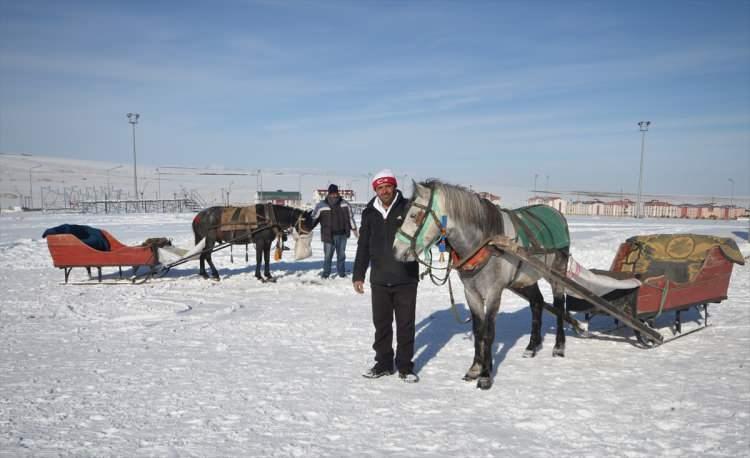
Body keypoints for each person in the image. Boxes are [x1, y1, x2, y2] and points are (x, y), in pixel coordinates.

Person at [353, 169, 420, 383]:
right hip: (380, 278)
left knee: (405, 325)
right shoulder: (369, 212)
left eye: (388, 186)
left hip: (405, 277)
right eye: (380, 188)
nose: (384, 191)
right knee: (381, 324)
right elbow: (363, 245)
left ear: (394, 186)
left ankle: (405, 367)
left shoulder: (408, 207)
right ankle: (383, 363)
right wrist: (358, 274)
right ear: (376, 190)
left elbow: (422, 234)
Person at [312, 184, 357, 278]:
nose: (334, 195)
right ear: (328, 193)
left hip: (343, 235)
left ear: (338, 193)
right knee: (328, 256)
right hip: (328, 236)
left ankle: (341, 273)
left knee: (341, 256)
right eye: (332, 193)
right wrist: (307, 227)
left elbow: (350, 218)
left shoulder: (345, 204)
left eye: (335, 193)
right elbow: (313, 218)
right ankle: (326, 274)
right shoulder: (321, 205)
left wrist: (354, 230)